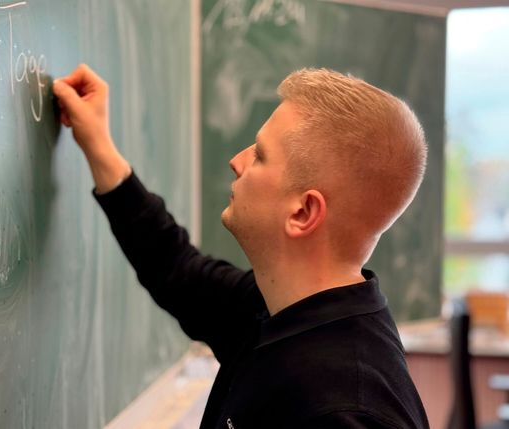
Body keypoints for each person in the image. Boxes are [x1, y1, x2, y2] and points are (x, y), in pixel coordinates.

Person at [53, 64, 430, 428]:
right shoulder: (282, 308)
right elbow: (176, 269)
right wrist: (98, 143)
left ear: (303, 212)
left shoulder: (343, 410)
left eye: (260, 155)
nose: (237, 161)